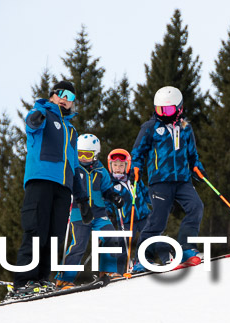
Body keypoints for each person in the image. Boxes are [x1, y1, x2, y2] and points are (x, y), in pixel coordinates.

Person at [8, 80, 90, 298]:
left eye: (71, 97)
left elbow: (74, 163)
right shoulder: (42, 112)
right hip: (41, 180)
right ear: (53, 95)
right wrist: (36, 118)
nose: (66, 99)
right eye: (62, 94)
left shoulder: (71, 130)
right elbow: (31, 125)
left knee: (55, 235)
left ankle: (42, 280)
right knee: (36, 229)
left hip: (63, 187)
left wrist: (81, 196)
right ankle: (24, 281)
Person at [130, 86, 207, 272]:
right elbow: (138, 151)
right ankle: (142, 258)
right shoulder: (150, 128)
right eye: (160, 110)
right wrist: (135, 167)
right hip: (160, 181)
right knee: (158, 221)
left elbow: (192, 154)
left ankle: (187, 247)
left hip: (182, 180)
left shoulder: (185, 128)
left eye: (168, 110)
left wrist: (197, 167)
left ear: (179, 108)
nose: (164, 114)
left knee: (196, 207)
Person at [54, 134, 125, 289]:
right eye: (80, 154)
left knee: (111, 236)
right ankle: (64, 279)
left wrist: (114, 197)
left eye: (87, 154)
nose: (83, 158)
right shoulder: (73, 168)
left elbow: (107, 189)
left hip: (99, 212)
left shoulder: (100, 170)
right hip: (79, 212)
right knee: (79, 244)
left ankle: (107, 271)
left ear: (95, 155)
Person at [103, 149, 151, 273]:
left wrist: (158, 203)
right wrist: (109, 214)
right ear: (110, 166)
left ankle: (141, 261)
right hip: (126, 220)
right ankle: (117, 272)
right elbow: (108, 202)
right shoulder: (110, 185)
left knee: (150, 237)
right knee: (122, 246)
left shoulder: (134, 179)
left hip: (143, 216)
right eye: (115, 165)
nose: (118, 168)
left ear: (127, 166)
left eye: (121, 165)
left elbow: (146, 194)